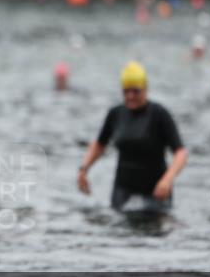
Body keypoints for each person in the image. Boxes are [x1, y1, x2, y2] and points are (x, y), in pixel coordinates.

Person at [78, 61, 187, 216]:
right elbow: (99, 144)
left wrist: (167, 180)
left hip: (156, 190)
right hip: (123, 189)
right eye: (126, 91)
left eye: (136, 91)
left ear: (145, 89)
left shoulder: (159, 114)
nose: (130, 96)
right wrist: (83, 169)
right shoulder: (116, 114)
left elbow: (181, 153)